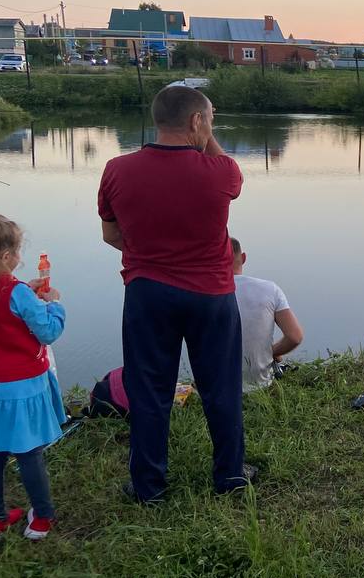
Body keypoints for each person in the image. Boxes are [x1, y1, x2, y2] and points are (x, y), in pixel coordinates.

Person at [98, 85, 251, 504]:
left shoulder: (116, 168)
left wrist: (152, 255)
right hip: (211, 297)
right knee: (221, 387)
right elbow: (220, 160)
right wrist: (207, 132)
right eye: (208, 119)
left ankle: (149, 488)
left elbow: (111, 234)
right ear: (196, 122)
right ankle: (230, 476)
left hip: (148, 294)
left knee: (149, 390)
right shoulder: (221, 172)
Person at [0, 215, 66, 540]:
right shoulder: (18, 293)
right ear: (7, 257)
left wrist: (28, 293)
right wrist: (54, 305)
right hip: (22, 388)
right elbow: (48, 332)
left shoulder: (19, 292)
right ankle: (41, 519)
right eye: (18, 252)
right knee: (29, 453)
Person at [231, 239, 303, 392]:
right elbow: (295, 337)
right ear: (243, 258)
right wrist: (270, 351)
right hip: (261, 386)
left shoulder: (202, 294)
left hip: (213, 390)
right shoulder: (270, 289)